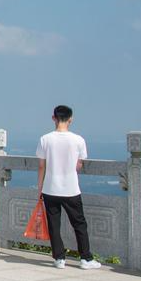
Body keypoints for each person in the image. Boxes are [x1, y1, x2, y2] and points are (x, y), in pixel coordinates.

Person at [36, 105, 101, 270]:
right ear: (70, 119)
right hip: (71, 188)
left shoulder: (45, 139)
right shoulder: (78, 140)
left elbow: (41, 166)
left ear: (54, 118)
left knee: (54, 224)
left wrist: (40, 188)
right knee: (79, 224)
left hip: (50, 188)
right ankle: (85, 258)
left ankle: (59, 258)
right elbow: (79, 165)